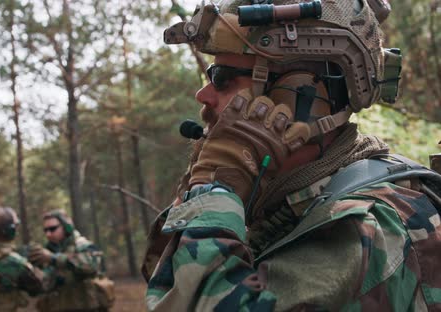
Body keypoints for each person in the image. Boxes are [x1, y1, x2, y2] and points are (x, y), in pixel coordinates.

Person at [142, 0, 441, 310]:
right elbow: (162, 279)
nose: (202, 95)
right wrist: (210, 185)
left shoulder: (366, 228)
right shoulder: (284, 203)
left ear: (300, 96)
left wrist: (212, 194)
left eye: (222, 78)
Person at [29, 209, 114, 312]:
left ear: (66, 227)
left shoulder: (83, 246)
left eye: (52, 229)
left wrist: (53, 259)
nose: (48, 234)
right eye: (45, 230)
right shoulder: (46, 251)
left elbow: (89, 266)